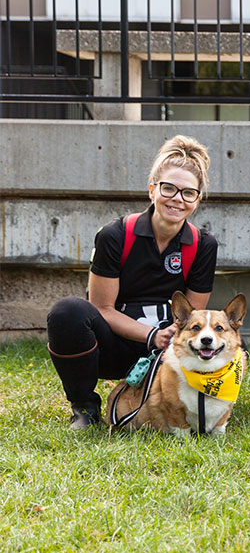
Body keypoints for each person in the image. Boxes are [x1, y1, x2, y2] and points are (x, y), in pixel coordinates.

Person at [46, 135, 219, 429]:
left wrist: (167, 339)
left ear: (197, 200)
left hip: (165, 351)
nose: (177, 199)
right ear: (152, 190)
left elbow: (191, 318)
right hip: (113, 345)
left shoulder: (203, 245)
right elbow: (102, 308)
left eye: (188, 193)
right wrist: (152, 335)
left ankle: (185, 404)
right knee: (68, 313)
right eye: (168, 189)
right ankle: (84, 408)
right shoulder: (115, 235)